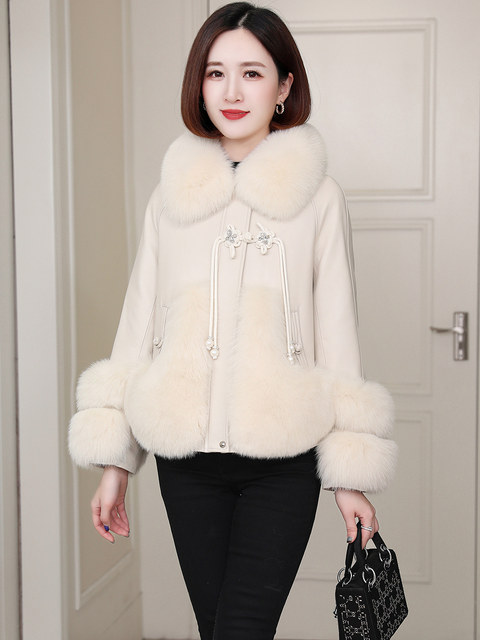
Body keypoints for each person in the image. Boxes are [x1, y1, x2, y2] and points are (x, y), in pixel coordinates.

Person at [68, 3, 397, 639]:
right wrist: (116, 463)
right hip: (186, 464)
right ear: (199, 84)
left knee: (241, 628)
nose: (232, 92)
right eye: (216, 73)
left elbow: (338, 338)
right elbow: (139, 328)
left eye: (252, 73)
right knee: (216, 626)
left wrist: (349, 480)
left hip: (283, 462)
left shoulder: (318, 198)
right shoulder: (171, 198)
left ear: (284, 86)